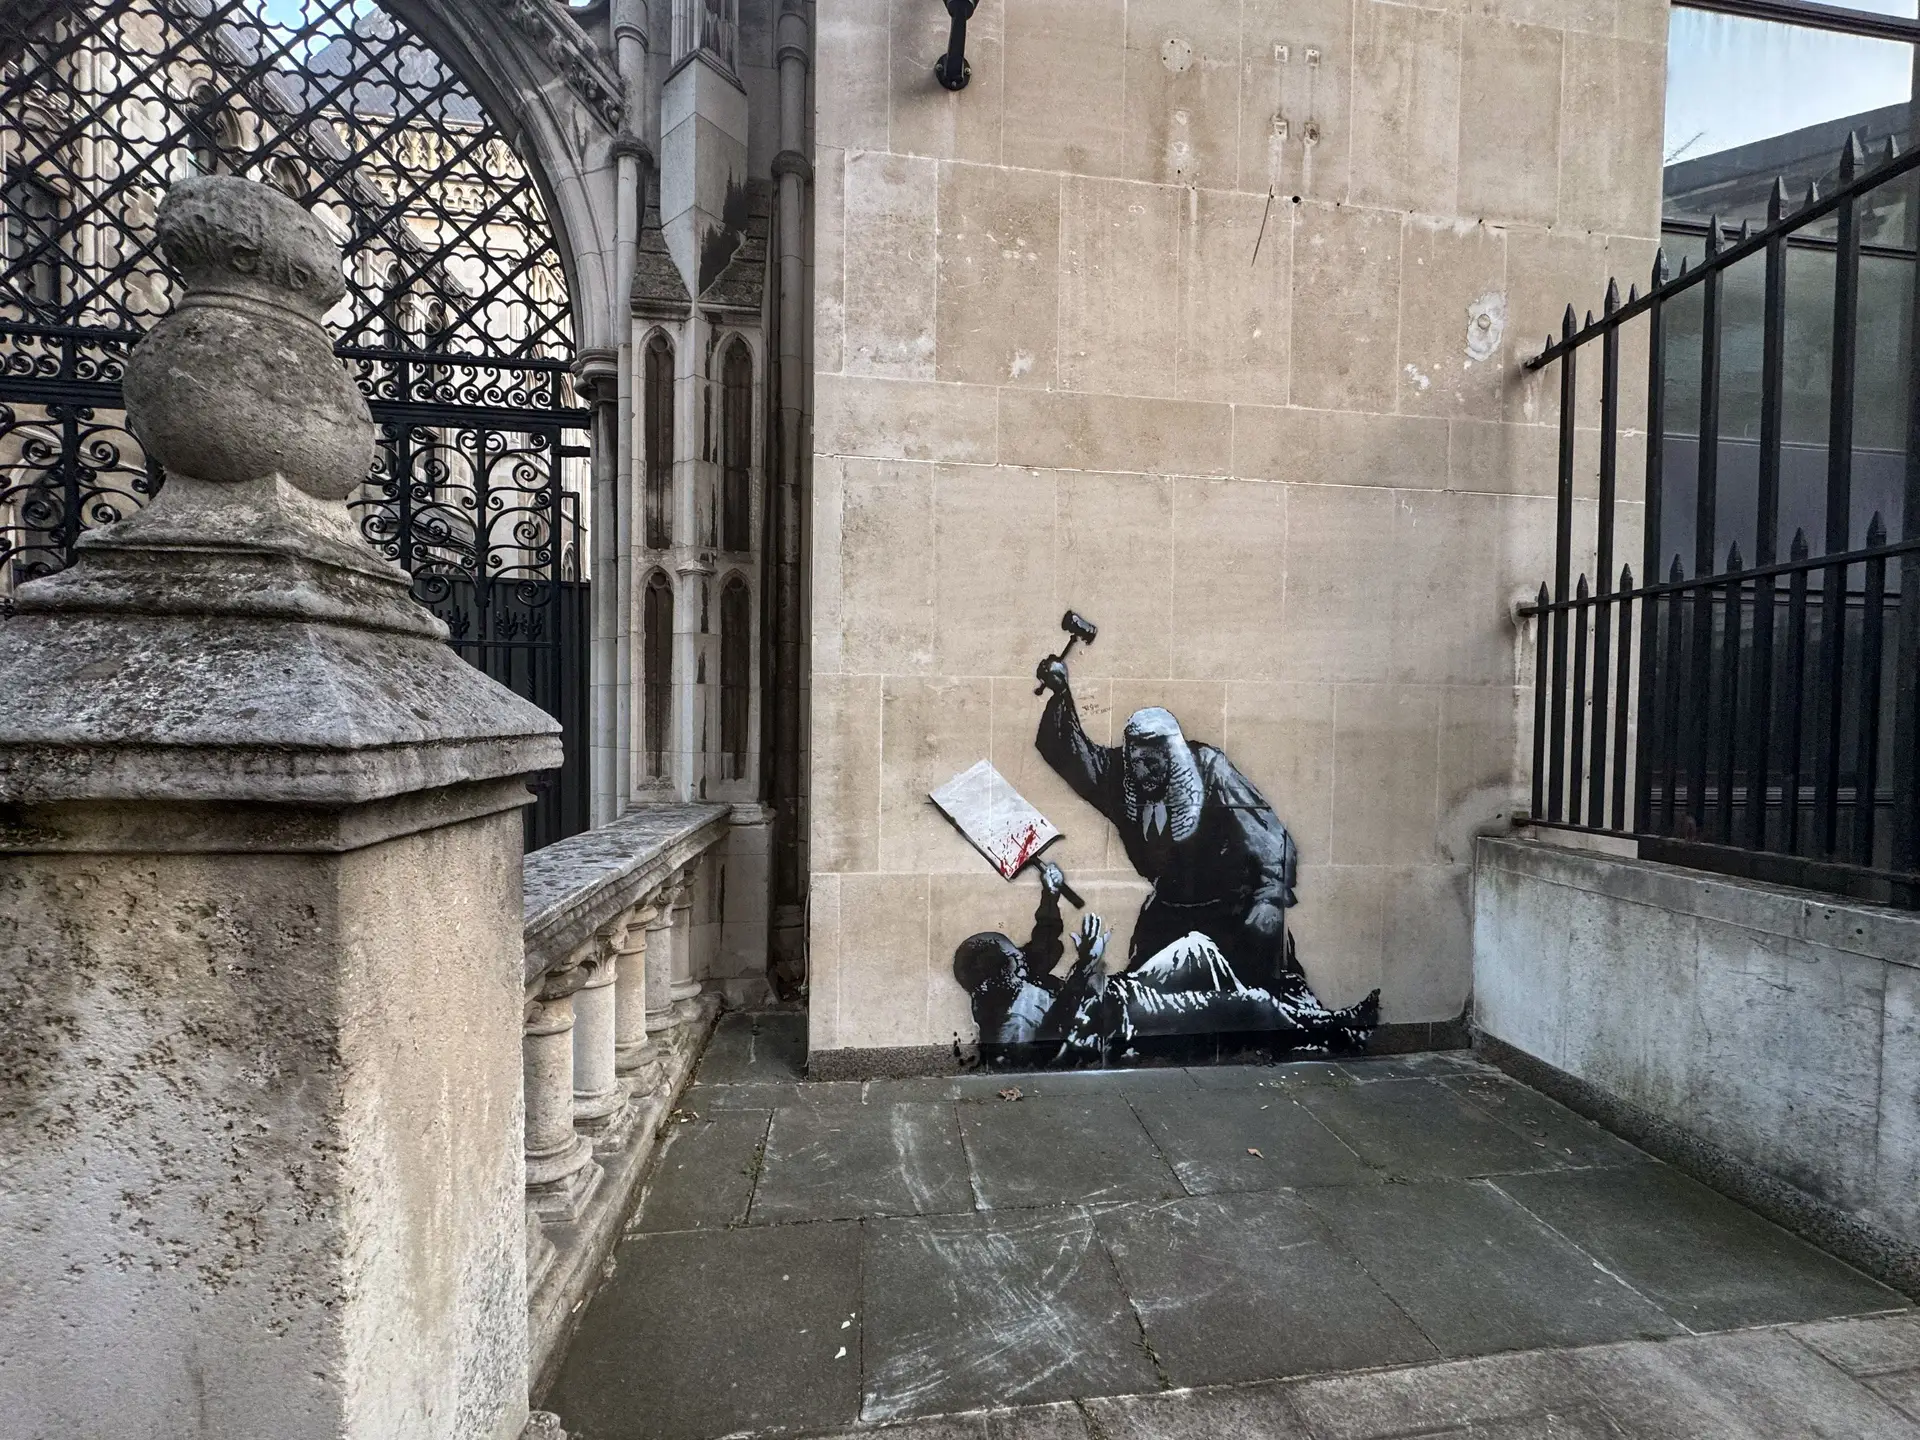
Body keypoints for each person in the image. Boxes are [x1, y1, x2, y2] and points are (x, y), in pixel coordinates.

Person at [1034, 655, 1300, 992]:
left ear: (1171, 758)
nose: (1142, 773)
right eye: (1135, 762)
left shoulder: (1210, 770)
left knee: (1246, 1005)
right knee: (1142, 1001)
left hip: (1231, 914)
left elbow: (1270, 838)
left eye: (1151, 763)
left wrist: (1269, 900)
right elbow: (1070, 754)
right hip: (1168, 913)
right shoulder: (1122, 778)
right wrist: (1060, 693)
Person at [954, 871, 1379, 1069]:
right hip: (1122, 1019)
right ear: (992, 973)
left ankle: (1293, 1020)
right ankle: (1320, 1031)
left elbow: (1043, 943)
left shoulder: (1014, 978)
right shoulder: (1006, 1014)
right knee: (1247, 1003)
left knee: (1197, 949)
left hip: (1118, 992)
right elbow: (1040, 1053)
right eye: (1014, 956)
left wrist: (1049, 894)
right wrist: (1084, 966)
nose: (1025, 959)